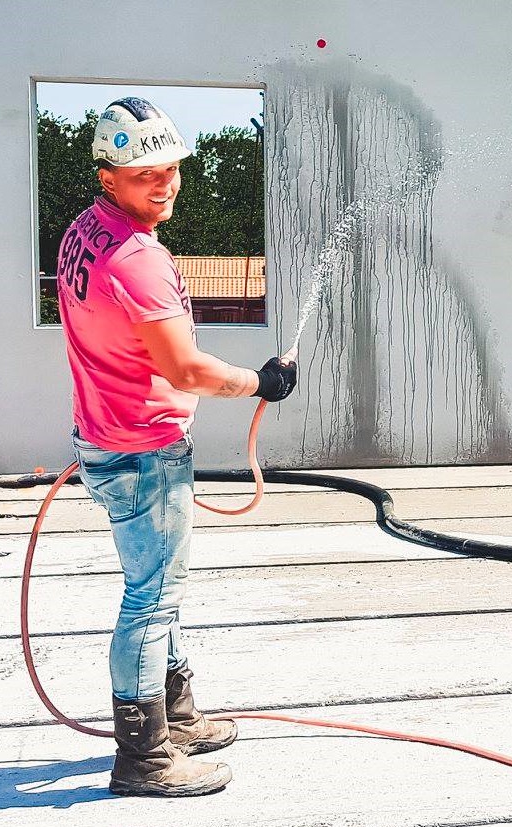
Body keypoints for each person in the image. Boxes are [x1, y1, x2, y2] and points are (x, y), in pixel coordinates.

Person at [56, 96, 297, 797]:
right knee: (151, 597)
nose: (163, 183)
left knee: (159, 587)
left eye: (171, 169)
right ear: (109, 176)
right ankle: (145, 756)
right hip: (142, 450)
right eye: (144, 174)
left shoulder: (85, 230)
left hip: (106, 436)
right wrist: (263, 381)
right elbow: (185, 369)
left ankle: (177, 715)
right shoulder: (139, 261)